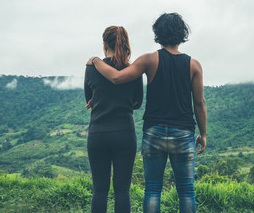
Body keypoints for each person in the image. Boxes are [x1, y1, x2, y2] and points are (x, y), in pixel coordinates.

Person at [87, 13, 207, 213]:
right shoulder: (194, 65)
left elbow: (116, 78)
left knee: (152, 190)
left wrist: (96, 61)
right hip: (184, 132)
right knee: (186, 191)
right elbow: (199, 103)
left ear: (158, 34)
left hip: (154, 132)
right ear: (182, 34)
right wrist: (202, 133)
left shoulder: (149, 60)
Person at [84, 26, 143, 213]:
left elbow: (89, 99)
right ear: (125, 44)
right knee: (122, 190)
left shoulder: (92, 68)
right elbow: (138, 102)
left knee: (99, 190)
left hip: (98, 133)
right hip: (125, 133)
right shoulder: (132, 70)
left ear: (104, 45)